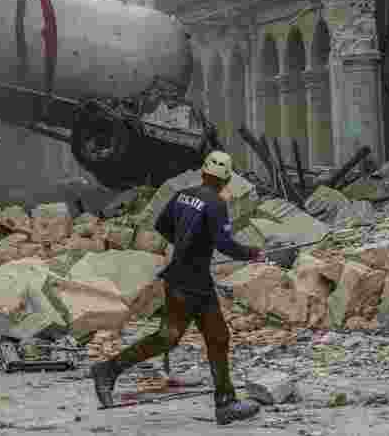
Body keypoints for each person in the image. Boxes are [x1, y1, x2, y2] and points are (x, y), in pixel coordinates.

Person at [90, 151, 264, 425]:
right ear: (227, 179)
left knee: (180, 337)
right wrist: (252, 253)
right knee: (206, 337)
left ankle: (108, 370)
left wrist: (185, 243)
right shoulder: (217, 204)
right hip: (194, 282)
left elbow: (161, 225)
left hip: (179, 277)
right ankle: (225, 403)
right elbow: (225, 245)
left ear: (203, 173)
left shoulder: (183, 195)